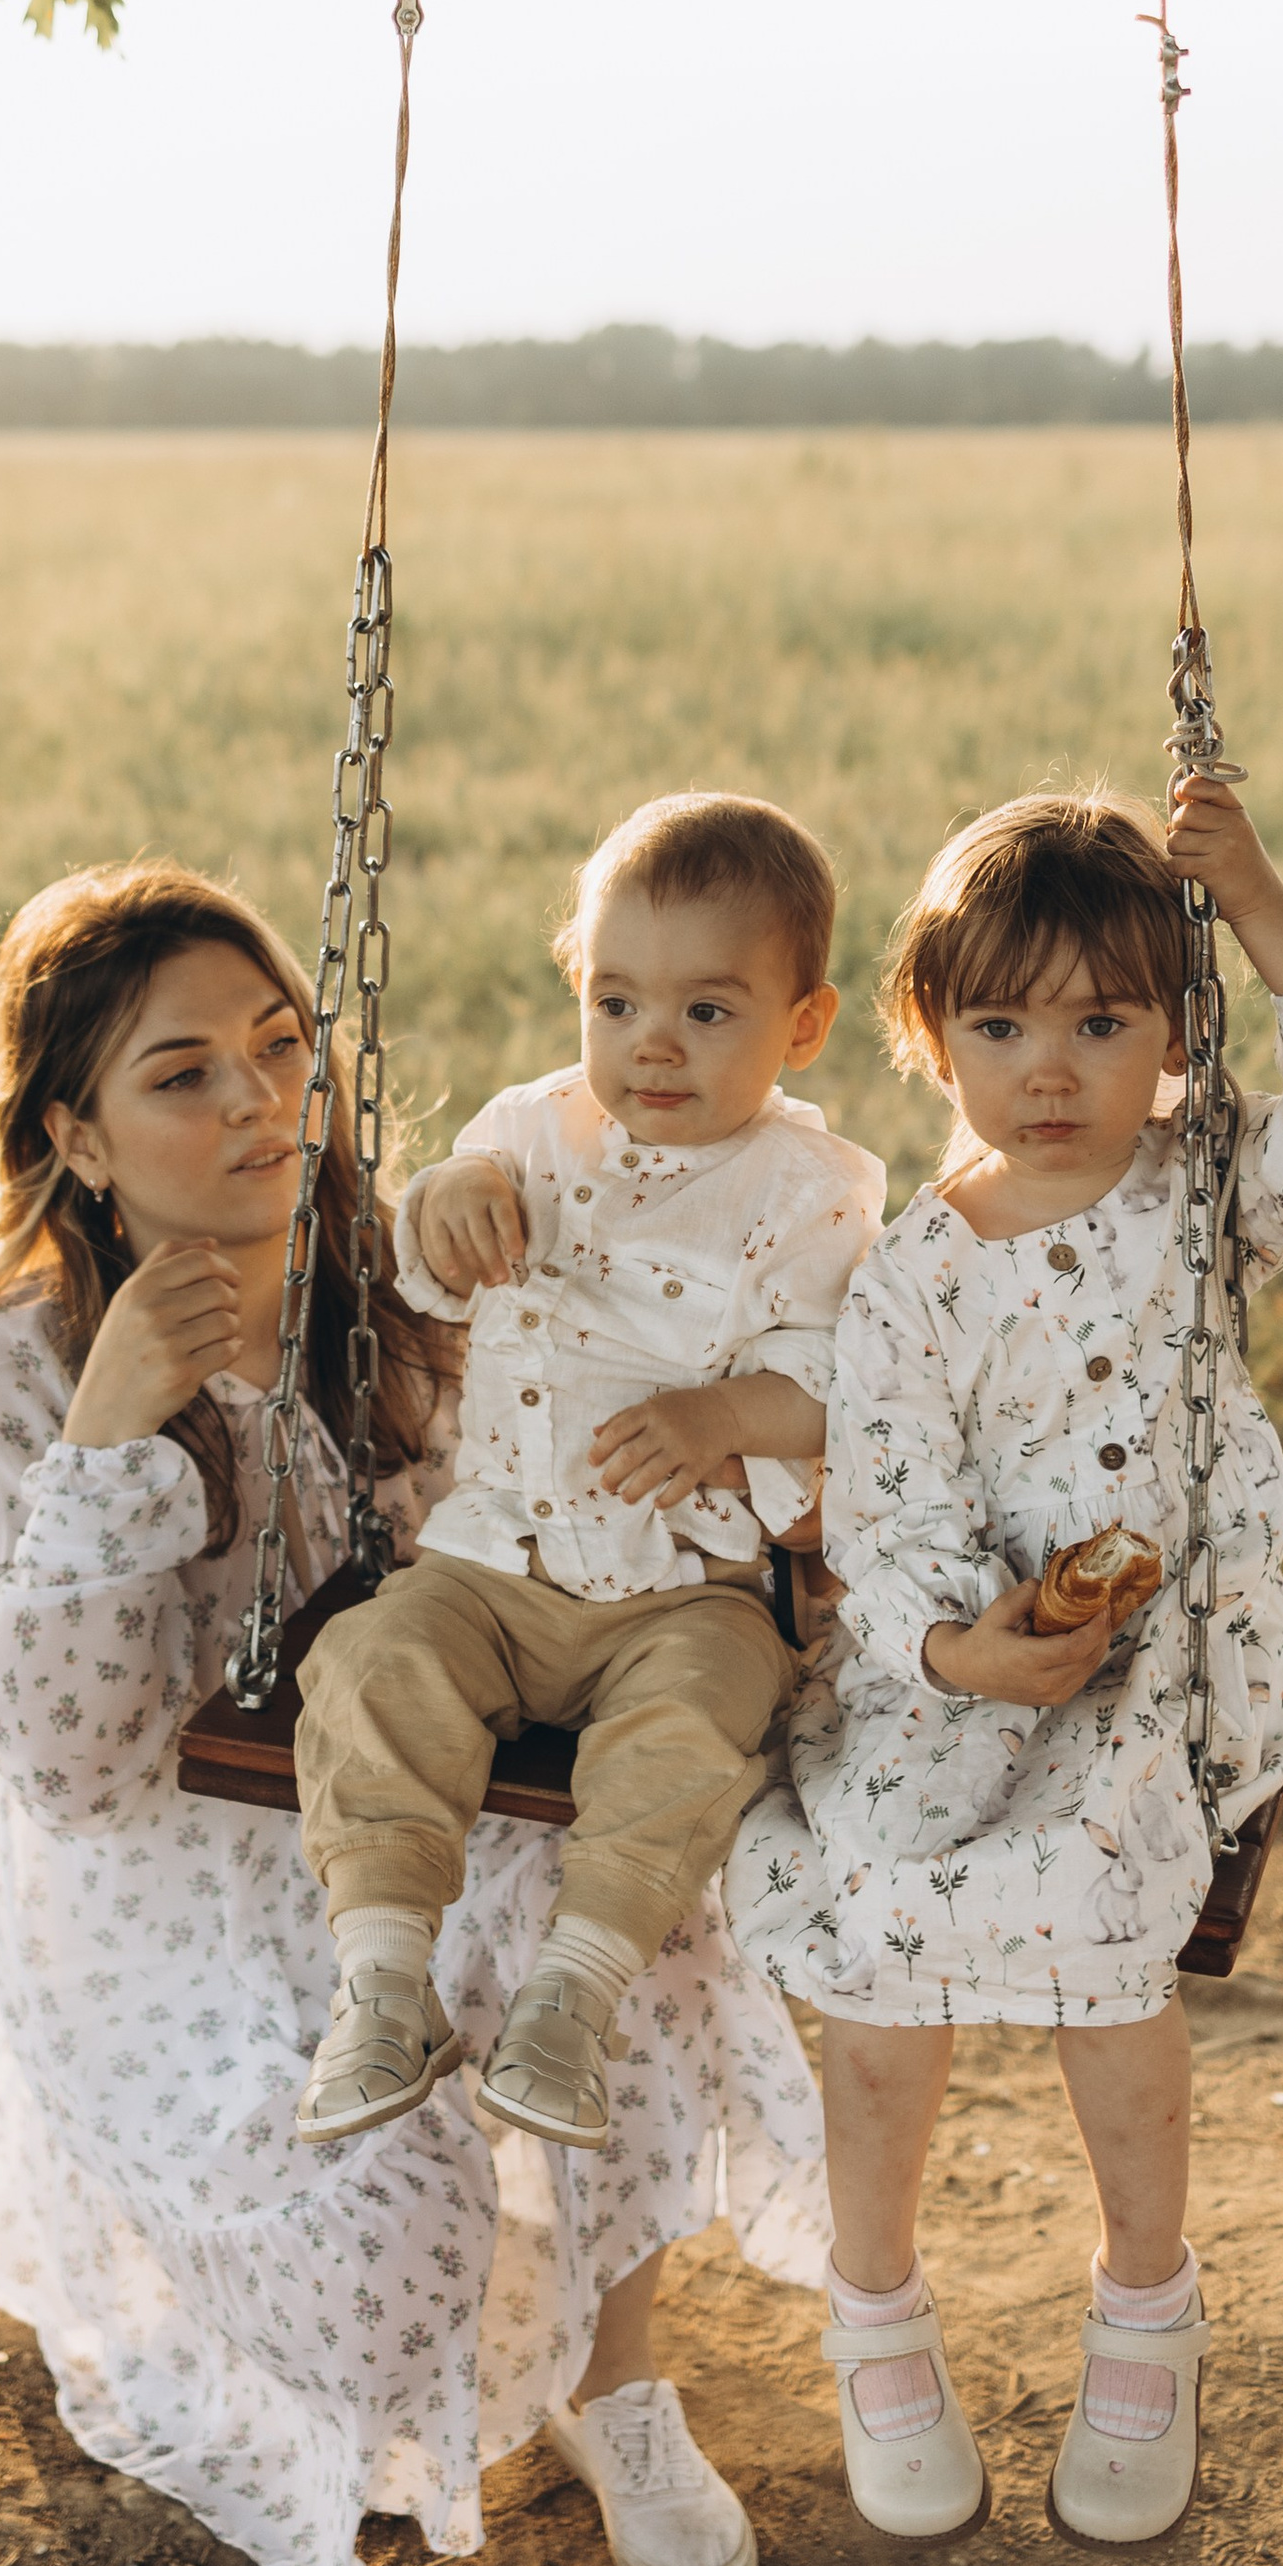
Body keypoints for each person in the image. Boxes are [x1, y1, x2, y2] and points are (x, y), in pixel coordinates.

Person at [0, 861, 829, 2566]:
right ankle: (365, 2301)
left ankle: (615, 2385)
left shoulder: (381, 1297)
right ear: (78, 1138)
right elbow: (76, 1775)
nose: (256, 1104)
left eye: (278, 1044)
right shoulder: (12, 1373)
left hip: (388, 1783)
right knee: (378, 2235)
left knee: (629, 1910)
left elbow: (525, 1570)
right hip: (164, 1891)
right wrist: (112, 1436)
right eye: (181, 1076)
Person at [727, 779, 1283, 2548]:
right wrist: (957, 1654)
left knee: (1102, 1943)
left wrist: (1256, 891)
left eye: (1106, 1023)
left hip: (1166, 1662)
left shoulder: (1203, 1182)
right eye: (1003, 1024)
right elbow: (888, 1515)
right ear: (929, 1034)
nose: (1053, 1068)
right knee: (884, 1932)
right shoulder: (916, 1279)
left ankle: (1146, 2306)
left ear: (1176, 1032)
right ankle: (876, 2311)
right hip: (966, 1659)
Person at [293, 792, 888, 2175]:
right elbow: (430, 1262)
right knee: (374, 1664)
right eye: (615, 1001)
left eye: (707, 1011)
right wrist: (439, 1198)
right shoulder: (530, 1127)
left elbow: (836, 1386)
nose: (651, 1044)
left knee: (694, 1733)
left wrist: (723, 1412)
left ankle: (574, 1994)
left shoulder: (812, 1189)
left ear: (803, 1025)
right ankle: (385, 1981)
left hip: (690, 1589)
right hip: (493, 1563)